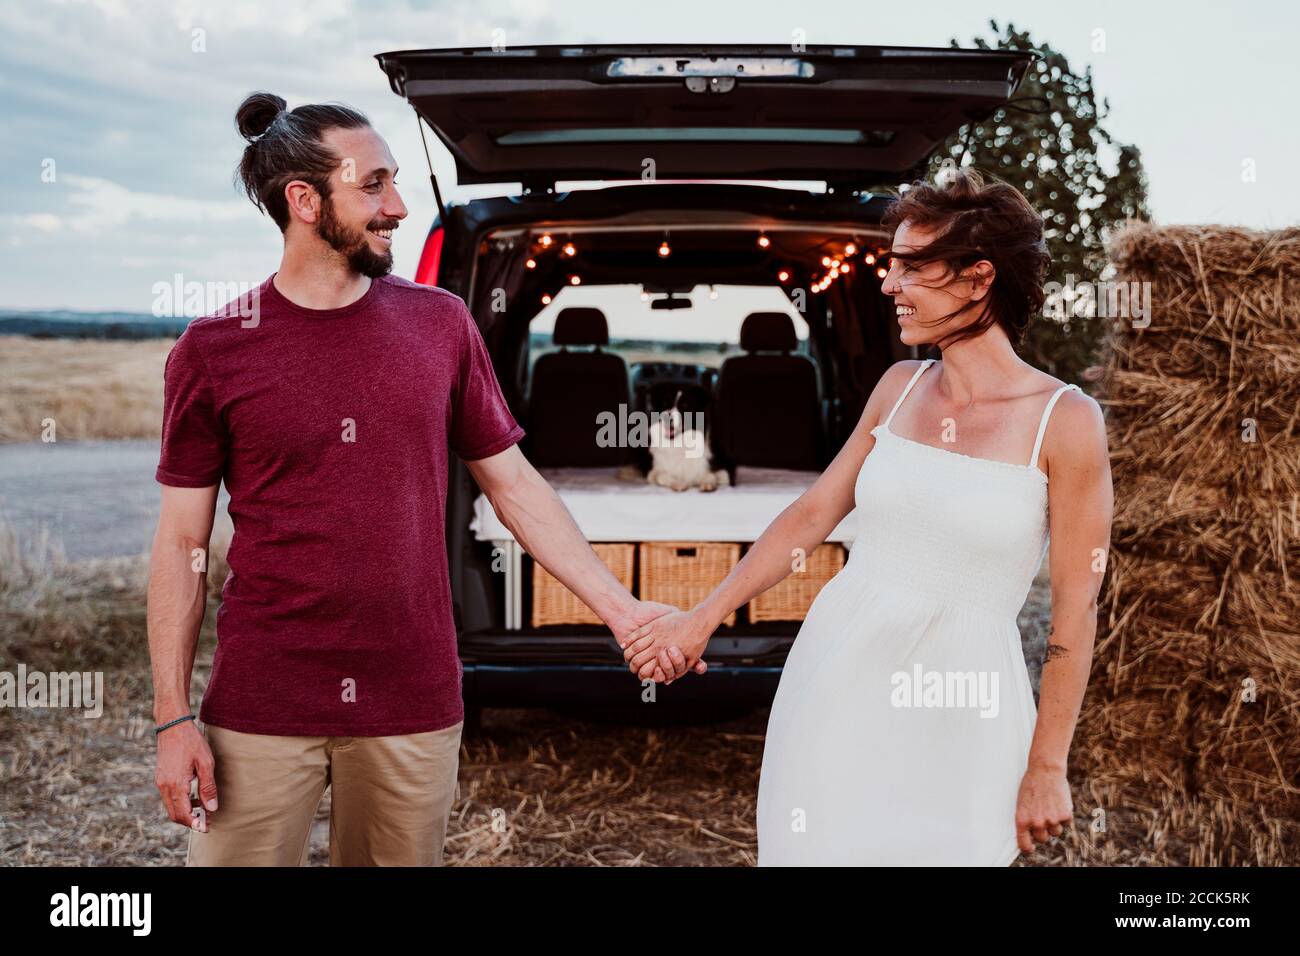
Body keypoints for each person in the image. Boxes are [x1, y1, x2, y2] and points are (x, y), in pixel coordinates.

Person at [147, 91, 695, 866]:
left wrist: (622, 612)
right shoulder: (213, 349)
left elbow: (515, 488)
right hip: (263, 701)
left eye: (396, 181)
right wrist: (173, 720)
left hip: (413, 698)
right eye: (373, 185)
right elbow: (180, 545)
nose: (397, 206)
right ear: (303, 200)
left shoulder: (440, 325)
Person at [621, 167, 1114, 865]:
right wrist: (700, 618)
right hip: (836, 684)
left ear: (979, 278)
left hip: (967, 711)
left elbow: (1076, 613)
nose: (889, 285)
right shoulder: (897, 386)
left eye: (912, 267)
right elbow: (811, 515)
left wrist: (1047, 765)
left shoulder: (1066, 422)